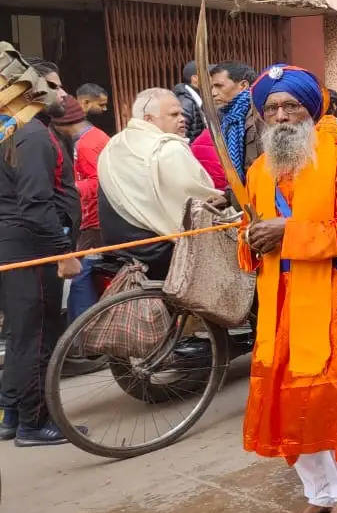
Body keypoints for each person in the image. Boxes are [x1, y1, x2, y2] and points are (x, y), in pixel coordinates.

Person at [237, 64, 337, 513]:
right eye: (272, 108)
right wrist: (251, 237)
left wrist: (290, 231)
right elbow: (251, 239)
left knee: (328, 398)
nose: (281, 115)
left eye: (292, 106)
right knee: (286, 399)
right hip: (276, 302)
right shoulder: (260, 169)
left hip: (330, 298)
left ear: (311, 109)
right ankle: (316, 494)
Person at [0, 61, 82, 447]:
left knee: (20, 332)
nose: (62, 94)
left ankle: (13, 414)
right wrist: (62, 252)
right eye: (51, 86)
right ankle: (34, 423)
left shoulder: (15, 130)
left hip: (16, 243)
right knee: (36, 334)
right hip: (30, 245)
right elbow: (35, 203)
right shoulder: (31, 134)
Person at [98, 88, 220, 280]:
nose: (183, 118)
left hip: (118, 246)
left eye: (181, 113)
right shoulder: (168, 148)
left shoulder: (114, 143)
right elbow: (202, 202)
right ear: (148, 119)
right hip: (159, 251)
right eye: (174, 114)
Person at [51, 95, 110, 321]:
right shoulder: (95, 137)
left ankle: (79, 334)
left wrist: (70, 188)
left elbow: (98, 182)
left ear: (60, 124)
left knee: (81, 274)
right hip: (95, 218)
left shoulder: (86, 144)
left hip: (92, 220)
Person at [191, 62, 265, 185]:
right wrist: (229, 196)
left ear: (243, 85)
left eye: (219, 86)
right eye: (211, 88)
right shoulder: (228, 118)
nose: (213, 93)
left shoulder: (261, 115)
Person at [173, 60, 206, 142]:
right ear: (195, 78)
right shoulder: (185, 101)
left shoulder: (195, 97)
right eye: (208, 75)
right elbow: (180, 135)